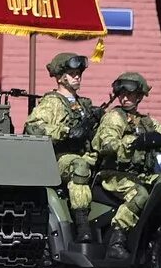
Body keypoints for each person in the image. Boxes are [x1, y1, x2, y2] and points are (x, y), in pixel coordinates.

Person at [92, 71, 161, 259]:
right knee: (139, 195)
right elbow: (107, 144)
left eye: (130, 94)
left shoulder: (145, 121)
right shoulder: (115, 117)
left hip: (140, 174)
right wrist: (135, 141)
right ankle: (117, 241)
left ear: (140, 96)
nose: (124, 98)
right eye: (121, 94)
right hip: (114, 175)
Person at [22, 52, 101, 242]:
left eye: (79, 73)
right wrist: (66, 131)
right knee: (79, 167)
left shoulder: (84, 105)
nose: (77, 77)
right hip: (60, 159)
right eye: (72, 73)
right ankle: (83, 227)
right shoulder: (52, 102)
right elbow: (34, 128)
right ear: (60, 77)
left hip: (86, 155)